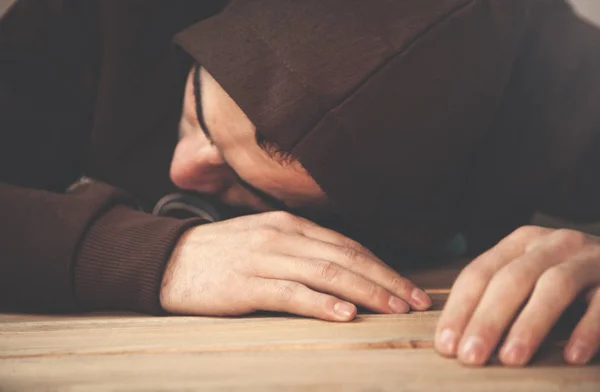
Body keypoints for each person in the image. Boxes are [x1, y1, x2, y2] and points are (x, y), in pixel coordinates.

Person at [0, 0, 598, 367]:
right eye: (196, 108)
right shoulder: (95, 15)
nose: (182, 168)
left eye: (240, 182)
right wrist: (147, 254)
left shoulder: (562, 89)